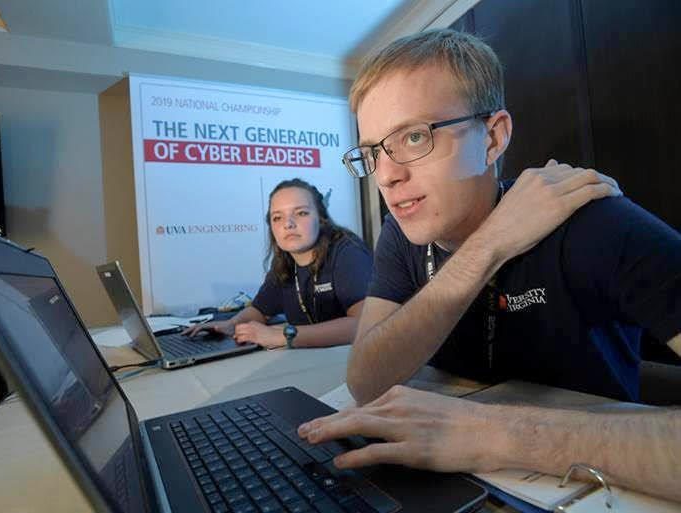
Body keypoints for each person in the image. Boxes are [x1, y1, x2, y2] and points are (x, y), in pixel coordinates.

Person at [298, 29, 681, 502]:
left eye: (414, 136)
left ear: (493, 137)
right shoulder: (403, 232)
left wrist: (491, 434)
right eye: (374, 151)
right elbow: (367, 380)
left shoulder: (591, 217)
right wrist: (490, 245)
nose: (389, 175)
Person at [187, 178, 372, 349]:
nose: (288, 224)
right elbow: (259, 311)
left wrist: (285, 336)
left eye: (301, 213)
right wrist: (229, 325)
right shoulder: (284, 260)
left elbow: (364, 323)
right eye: (277, 217)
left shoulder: (348, 252)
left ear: (321, 219)